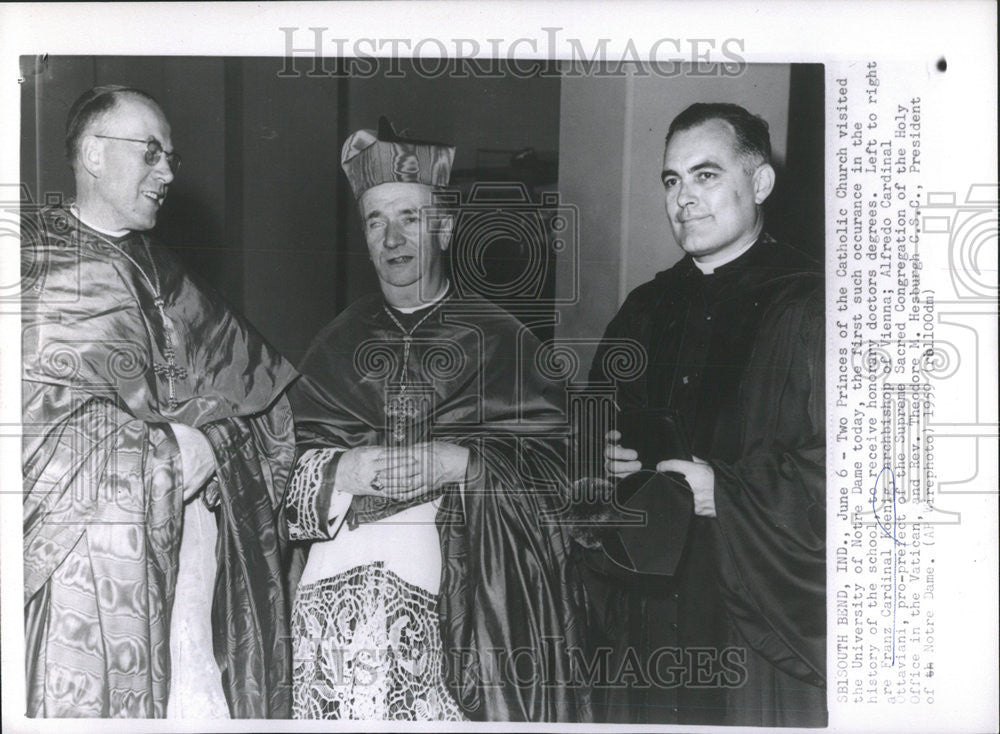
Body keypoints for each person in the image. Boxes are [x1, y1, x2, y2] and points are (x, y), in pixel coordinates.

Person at [286, 118, 589, 722]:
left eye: (410, 218)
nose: (392, 237)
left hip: (463, 604)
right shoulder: (333, 343)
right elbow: (276, 464)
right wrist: (339, 472)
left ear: (445, 228)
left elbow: (562, 480)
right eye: (376, 221)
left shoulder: (507, 341)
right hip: (332, 611)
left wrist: (463, 464)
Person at [22, 85, 297, 718]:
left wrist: (214, 444)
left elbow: (261, 401)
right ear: (94, 153)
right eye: (151, 153)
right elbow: (33, 434)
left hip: (191, 543)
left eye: (170, 156)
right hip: (85, 559)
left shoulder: (167, 271)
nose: (168, 172)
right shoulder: (31, 263)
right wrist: (170, 451)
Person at [582, 102, 826, 727]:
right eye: (672, 180)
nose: (683, 198)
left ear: (760, 182)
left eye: (706, 175)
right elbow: (583, 454)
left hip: (752, 615)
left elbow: (861, 479)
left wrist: (730, 493)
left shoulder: (813, 308)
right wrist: (599, 460)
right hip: (647, 612)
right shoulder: (645, 310)